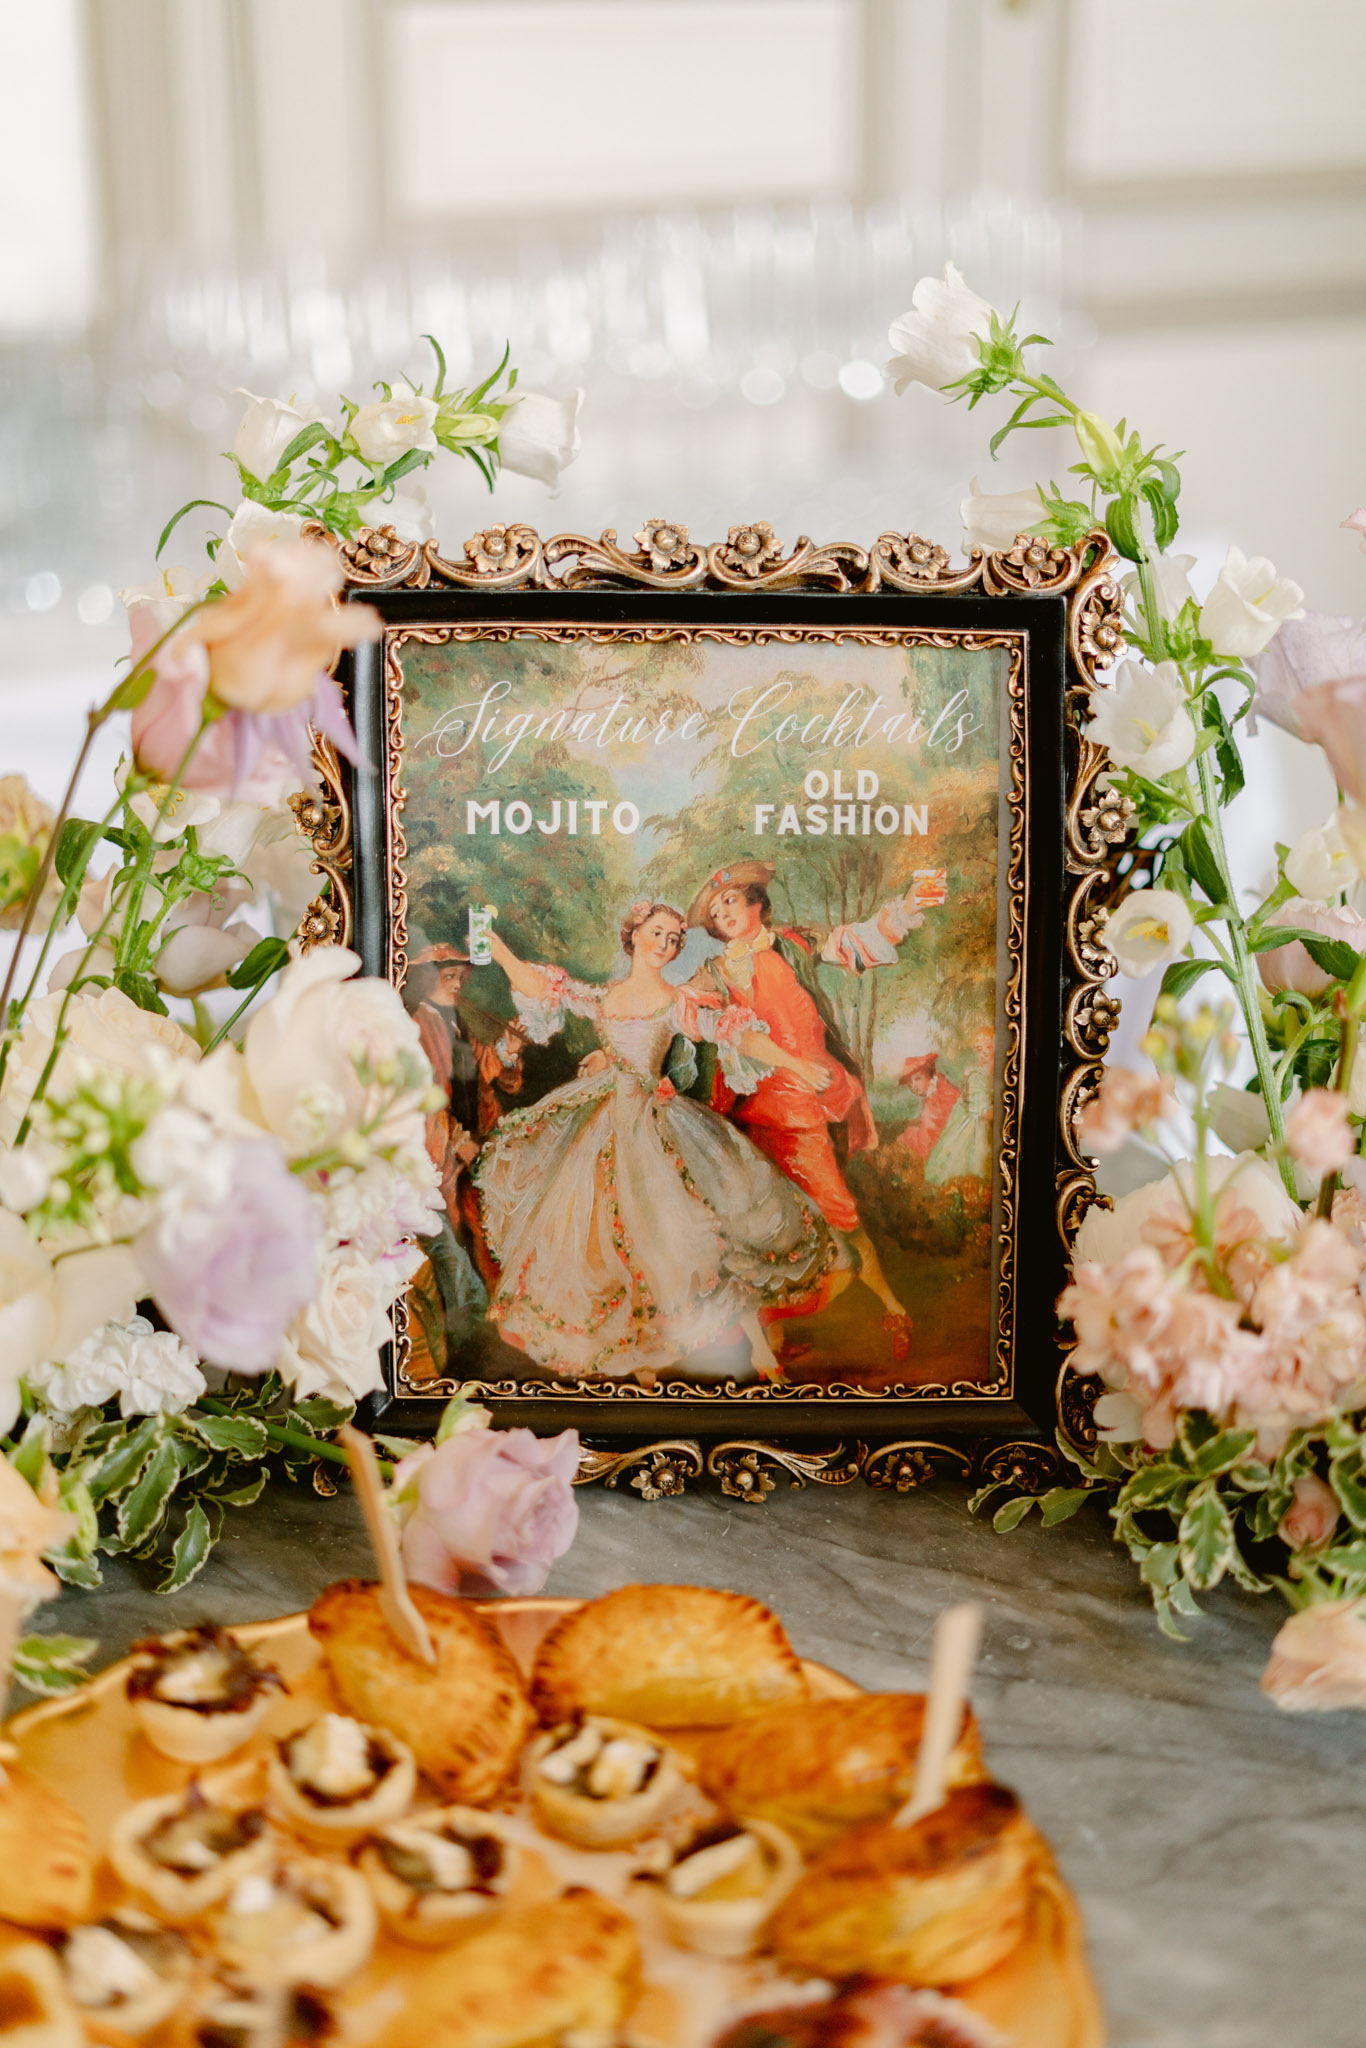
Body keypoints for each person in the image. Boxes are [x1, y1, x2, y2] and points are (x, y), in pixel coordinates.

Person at [473, 900, 834, 1384]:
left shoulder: (676, 1002)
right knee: (619, 1242)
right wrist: (499, 952)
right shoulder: (602, 997)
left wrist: (795, 1064)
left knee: (702, 1228)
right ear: (634, 937)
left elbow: (731, 1035)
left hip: (659, 1124)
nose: (665, 945)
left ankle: (758, 1353)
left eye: (673, 939)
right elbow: (546, 989)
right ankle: (643, 1359)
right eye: (657, 934)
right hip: (606, 1124)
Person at [684, 860, 947, 1361]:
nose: (725, 916)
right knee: (760, 1227)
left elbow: (858, 939)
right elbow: (686, 1013)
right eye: (716, 913)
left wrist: (910, 905)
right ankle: (774, 1341)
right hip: (752, 1109)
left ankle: (893, 1307)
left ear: (757, 902)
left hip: (808, 1102)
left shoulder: (794, 943)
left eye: (732, 902)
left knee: (838, 1214)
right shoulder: (715, 972)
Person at [404, 943, 527, 1354]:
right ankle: (461, 1336)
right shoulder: (420, 1025)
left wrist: (508, 1049)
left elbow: (486, 1070)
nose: (457, 984)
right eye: (448, 977)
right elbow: (424, 1097)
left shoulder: (456, 1023)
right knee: (449, 1238)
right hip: (436, 1147)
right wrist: (457, 1140)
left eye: (461, 977)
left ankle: (478, 1329)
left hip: (472, 1139)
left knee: (477, 1232)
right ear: (429, 979)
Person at [926, 1027, 995, 1186]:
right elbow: (975, 1104)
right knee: (962, 1157)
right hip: (974, 1120)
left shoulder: (991, 1070)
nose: (983, 1052)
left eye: (988, 1047)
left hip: (980, 1116)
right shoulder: (976, 1072)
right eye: (979, 1049)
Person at [899, 1052, 962, 1167]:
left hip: (943, 1143)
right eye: (910, 1083)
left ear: (930, 1075)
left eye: (918, 1079)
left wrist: (910, 1133)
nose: (914, 1086)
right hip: (944, 1135)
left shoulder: (938, 1097)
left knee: (905, 1136)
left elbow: (929, 1139)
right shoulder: (939, 1087)